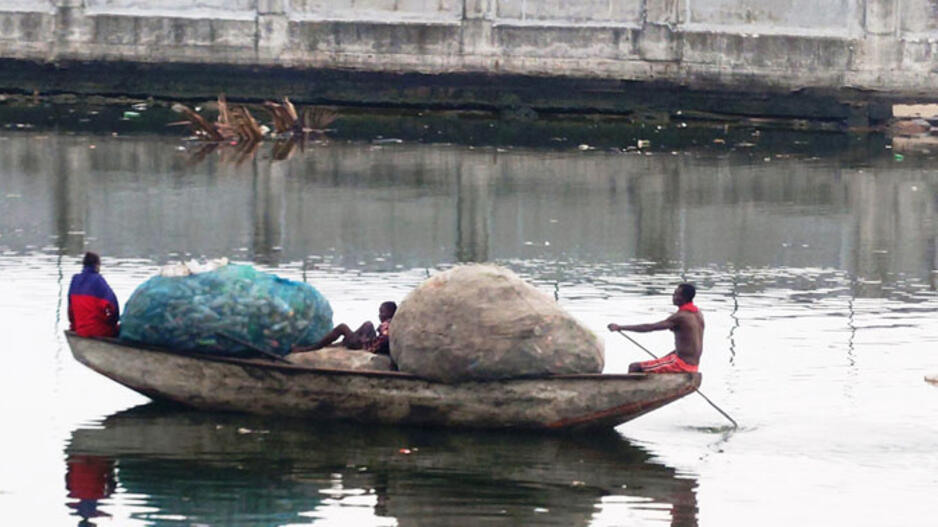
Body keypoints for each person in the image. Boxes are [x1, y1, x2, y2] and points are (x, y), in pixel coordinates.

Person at [607, 283, 703, 374]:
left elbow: (650, 327)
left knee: (634, 367)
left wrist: (620, 327)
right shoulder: (698, 314)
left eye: (676, 295)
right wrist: (663, 359)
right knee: (659, 361)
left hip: (681, 365)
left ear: (684, 298)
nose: (673, 297)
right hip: (693, 364)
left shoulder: (680, 316)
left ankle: (630, 390)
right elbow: (689, 345)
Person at [294, 301, 396, 354]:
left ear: (390, 313)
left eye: (382, 312)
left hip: (366, 346)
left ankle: (311, 348)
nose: (379, 315)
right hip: (369, 343)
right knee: (368, 325)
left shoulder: (387, 324)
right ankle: (336, 344)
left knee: (342, 327)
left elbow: (384, 339)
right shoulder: (394, 323)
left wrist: (366, 342)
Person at [68, 252, 120, 338]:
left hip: (79, 329)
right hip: (97, 330)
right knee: (120, 330)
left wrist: (74, 326)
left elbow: (70, 310)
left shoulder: (75, 280)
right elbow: (113, 306)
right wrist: (112, 323)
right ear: (96, 265)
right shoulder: (98, 280)